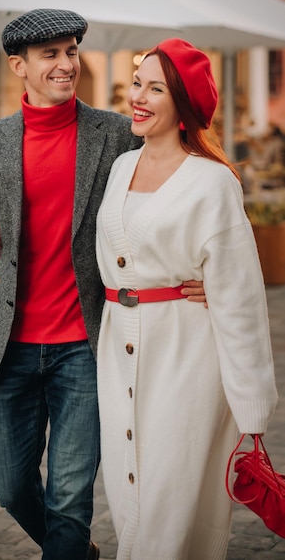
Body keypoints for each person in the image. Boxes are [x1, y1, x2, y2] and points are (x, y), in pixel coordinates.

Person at [0, 10, 206, 560]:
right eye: (50, 55)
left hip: (87, 345)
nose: (66, 64)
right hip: (8, 345)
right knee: (12, 488)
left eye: (71, 51)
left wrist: (204, 268)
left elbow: (174, 193)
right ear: (19, 66)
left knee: (68, 498)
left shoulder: (114, 133)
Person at [95, 38, 278, 560]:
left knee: (168, 502)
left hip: (186, 352)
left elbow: (240, 297)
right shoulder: (119, 168)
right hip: (118, 351)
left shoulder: (213, 181)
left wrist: (252, 410)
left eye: (156, 88)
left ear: (183, 104)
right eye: (137, 83)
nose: (139, 97)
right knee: (128, 496)